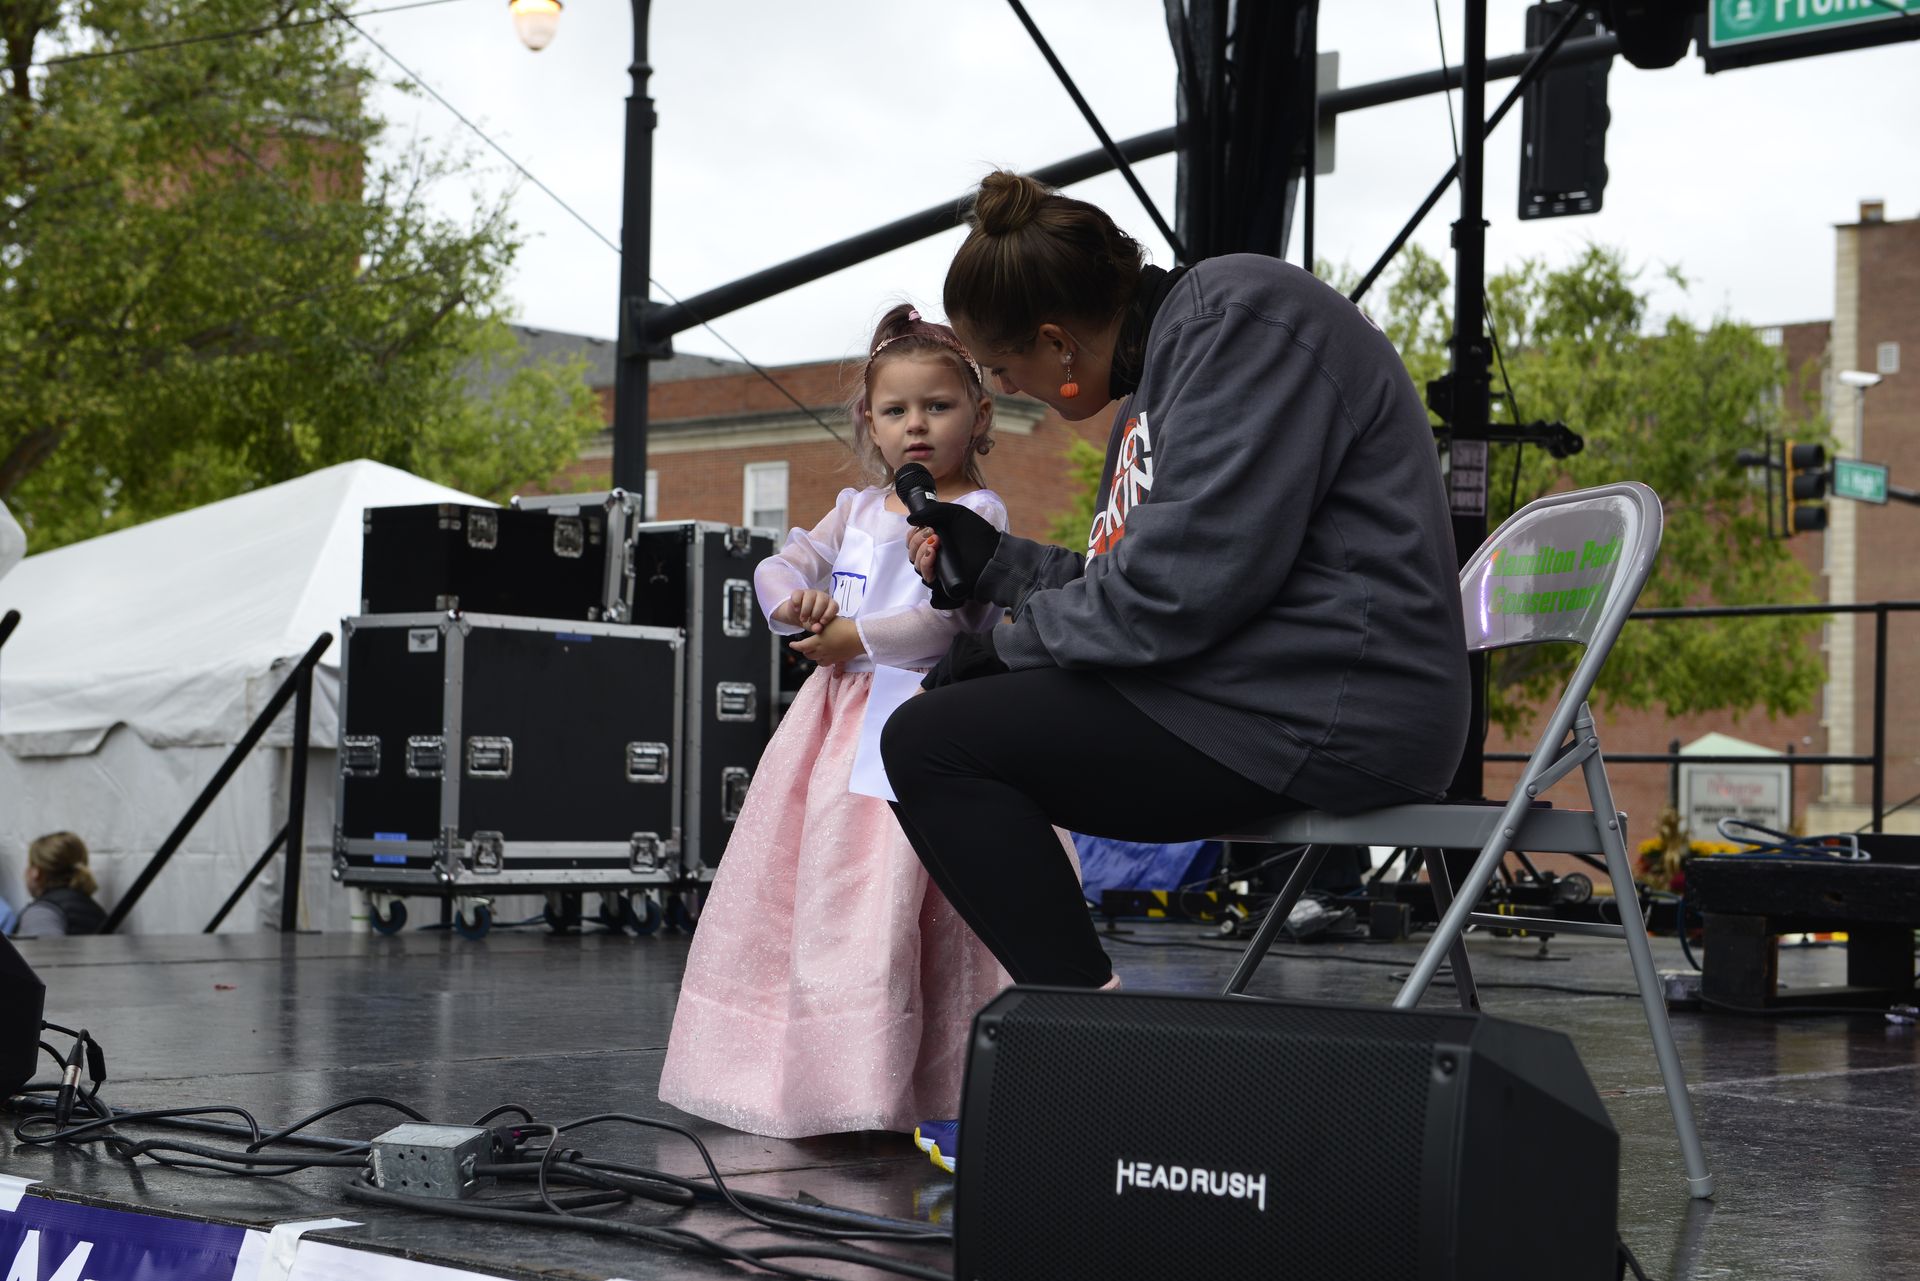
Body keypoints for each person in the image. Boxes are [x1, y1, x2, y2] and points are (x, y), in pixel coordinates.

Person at [882, 172, 1473, 1170]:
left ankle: (1100, 1067)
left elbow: (1175, 600)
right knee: (946, 724)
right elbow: (1140, 582)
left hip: (1333, 708)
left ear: (1060, 340)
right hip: (1254, 691)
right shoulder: (1169, 373)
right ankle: (1098, 1056)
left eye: (1007, 367)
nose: (1013, 391)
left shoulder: (1240, 324)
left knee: (936, 743)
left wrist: (1011, 644)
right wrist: (1007, 572)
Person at [659, 304, 1049, 1140]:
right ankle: (810, 1076)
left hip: (923, 716)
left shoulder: (980, 512)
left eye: (938, 407)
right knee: (817, 890)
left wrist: (851, 635)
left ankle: (900, 1080)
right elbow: (780, 562)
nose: (917, 426)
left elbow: (950, 624)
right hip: (834, 731)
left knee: (899, 900)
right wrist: (792, 607)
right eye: (897, 409)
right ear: (868, 421)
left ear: (978, 415)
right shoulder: (855, 507)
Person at [15, 832, 107, 936]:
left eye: (30, 864)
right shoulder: (95, 910)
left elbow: (43, 951)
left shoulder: (42, 913)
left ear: (36, 872)